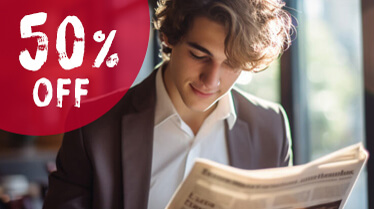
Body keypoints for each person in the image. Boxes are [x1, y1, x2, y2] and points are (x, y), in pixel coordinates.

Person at [43, 0, 294, 208]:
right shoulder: (93, 126)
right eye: (198, 55)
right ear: (168, 38)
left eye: (231, 64)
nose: (211, 81)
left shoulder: (271, 126)